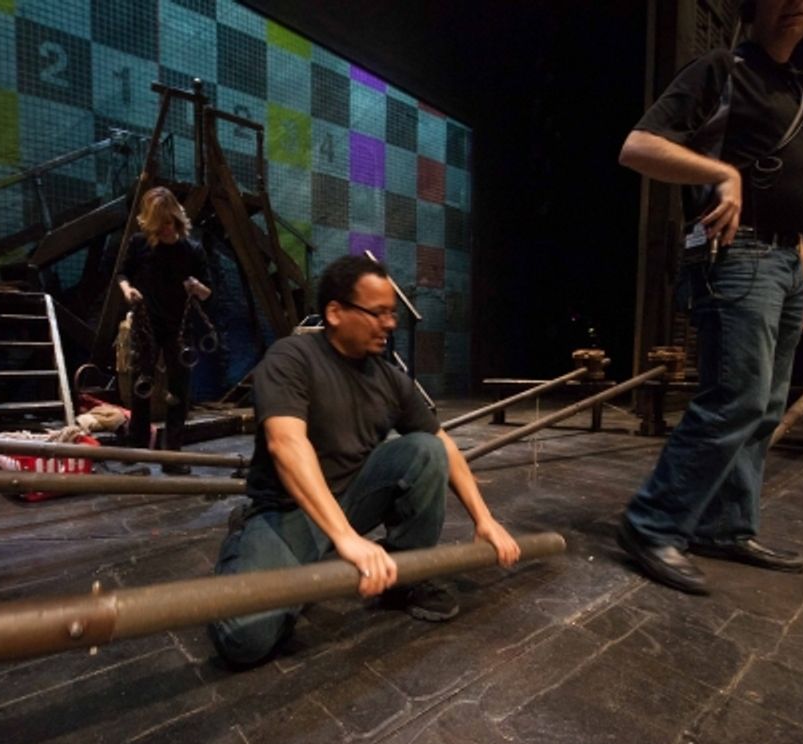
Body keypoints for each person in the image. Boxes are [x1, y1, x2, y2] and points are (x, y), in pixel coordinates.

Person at [208, 254, 522, 666]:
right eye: (378, 313)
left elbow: (442, 444)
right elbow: (286, 445)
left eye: (392, 314)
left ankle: (404, 578)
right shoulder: (291, 358)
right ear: (335, 312)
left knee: (425, 450)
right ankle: (245, 542)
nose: (389, 324)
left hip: (351, 500)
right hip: (287, 510)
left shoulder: (390, 378)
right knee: (245, 639)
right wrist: (345, 539)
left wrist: (484, 519)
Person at [615, 0, 803, 594]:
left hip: (783, 260)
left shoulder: (799, 92)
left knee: (764, 407)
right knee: (734, 399)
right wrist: (722, 174)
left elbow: (783, 189)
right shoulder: (722, 69)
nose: (798, 3)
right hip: (739, 256)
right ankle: (651, 523)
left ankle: (724, 525)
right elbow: (638, 146)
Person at [117, 186, 211, 474]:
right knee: (141, 385)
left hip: (179, 328)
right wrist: (128, 290)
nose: (166, 230)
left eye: (169, 223)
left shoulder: (192, 250)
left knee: (178, 391)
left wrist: (197, 287)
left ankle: (172, 455)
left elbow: (208, 293)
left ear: (176, 219)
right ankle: (136, 447)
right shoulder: (140, 244)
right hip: (147, 324)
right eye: (160, 225)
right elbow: (122, 273)